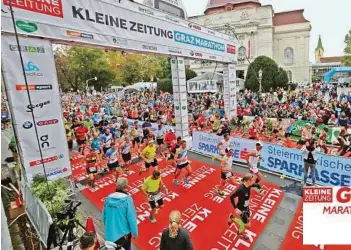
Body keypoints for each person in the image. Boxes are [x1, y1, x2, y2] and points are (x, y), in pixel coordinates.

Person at [102, 178, 138, 250]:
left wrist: (109, 228)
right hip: (123, 235)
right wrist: (135, 232)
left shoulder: (108, 198)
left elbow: (104, 216)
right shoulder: (127, 199)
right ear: (126, 187)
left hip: (110, 234)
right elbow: (132, 218)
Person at [228, 173, 263, 239]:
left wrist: (260, 191)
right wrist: (235, 208)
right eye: (251, 180)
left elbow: (257, 185)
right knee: (248, 226)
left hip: (246, 207)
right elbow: (231, 197)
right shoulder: (241, 190)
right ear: (247, 180)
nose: (253, 181)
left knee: (246, 221)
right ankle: (234, 222)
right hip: (241, 209)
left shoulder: (249, 185)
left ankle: (233, 219)